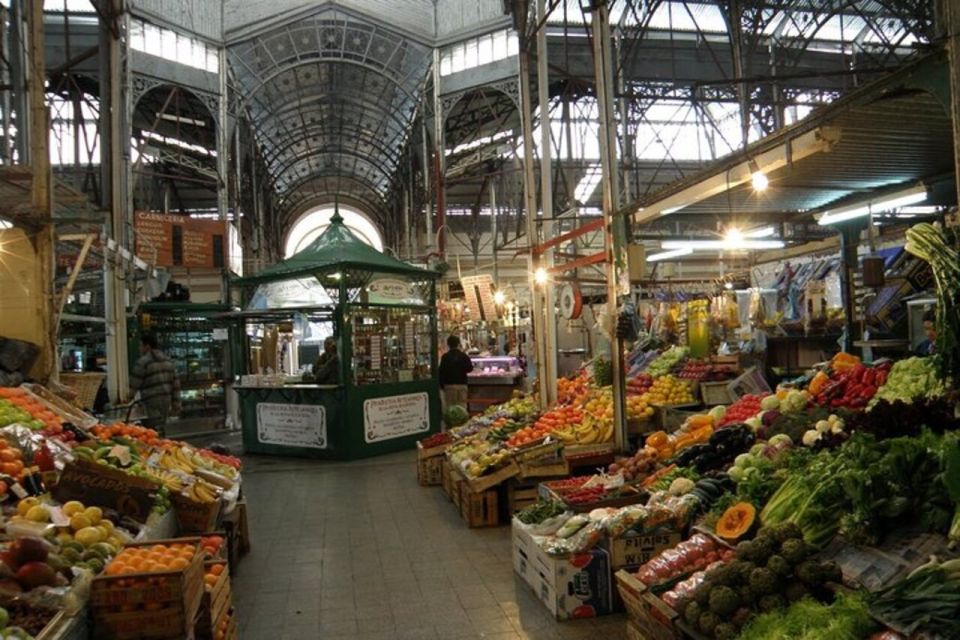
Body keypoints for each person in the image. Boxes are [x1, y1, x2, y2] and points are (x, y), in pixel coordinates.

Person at [129, 333, 180, 435]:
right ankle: (163, 445)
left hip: (150, 401)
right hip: (166, 400)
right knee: (161, 427)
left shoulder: (143, 362)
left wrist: (127, 400)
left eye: (140, 345)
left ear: (147, 346)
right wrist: (176, 404)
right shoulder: (169, 361)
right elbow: (176, 385)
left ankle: (156, 447)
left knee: (151, 432)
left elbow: (134, 384)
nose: (139, 348)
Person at [438, 335, 473, 413]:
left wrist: (441, 386)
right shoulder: (464, 356)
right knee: (462, 406)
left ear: (448, 344)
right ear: (458, 344)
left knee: (450, 407)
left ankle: (452, 423)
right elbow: (470, 369)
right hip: (462, 385)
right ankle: (463, 422)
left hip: (449, 386)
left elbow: (441, 372)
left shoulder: (445, 357)